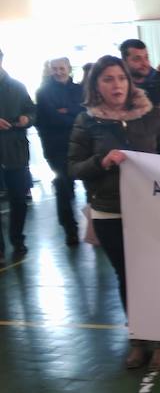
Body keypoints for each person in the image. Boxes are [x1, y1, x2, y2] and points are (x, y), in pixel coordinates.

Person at [68, 55, 160, 371]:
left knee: (156, 274)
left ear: (129, 82)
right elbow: (73, 167)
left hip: (152, 212)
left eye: (120, 78)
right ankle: (138, 336)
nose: (116, 85)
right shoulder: (86, 121)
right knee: (126, 275)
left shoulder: (153, 116)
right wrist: (101, 161)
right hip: (109, 211)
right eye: (107, 79)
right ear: (96, 86)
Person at [35, 57, 83, 245]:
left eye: (61, 68)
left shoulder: (79, 90)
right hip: (56, 147)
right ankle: (69, 229)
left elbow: (84, 112)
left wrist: (66, 111)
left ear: (69, 69)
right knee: (63, 188)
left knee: (91, 186)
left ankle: (96, 225)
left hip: (80, 144)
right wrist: (72, 114)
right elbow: (51, 117)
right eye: (54, 68)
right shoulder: (43, 92)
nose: (58, 72)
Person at [0, 49, 35, 260]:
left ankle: (17, 239)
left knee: (19, 200)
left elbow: (32, 110)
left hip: (16, 149)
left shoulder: (18, 87)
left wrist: (27, 119)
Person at [119, 39, 160, 115]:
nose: (145, 63)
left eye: (146, 57)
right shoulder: (122, 87)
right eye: (137, 59)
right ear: (124, 62)